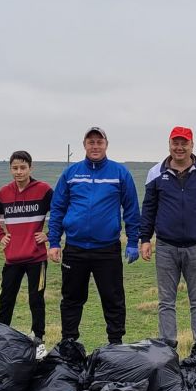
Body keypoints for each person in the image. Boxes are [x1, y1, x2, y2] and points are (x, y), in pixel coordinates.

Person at [139, 126, 196, 355]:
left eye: (184, 143)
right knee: (166, 302)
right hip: (166, 246)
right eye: (175, 143)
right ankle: (168, 348)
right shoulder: (155, 173)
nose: (179, 148)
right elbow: (149, 208)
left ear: (192, 145)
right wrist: (145, 239)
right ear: (169, 145)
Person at [48, 128, 141, 346]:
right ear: (84, 145)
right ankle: (69, 343)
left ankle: (115, 344)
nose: (95, 146)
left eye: (99, 142)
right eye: (91, 142)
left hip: (107, 249)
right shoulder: (71, 174)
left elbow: (131, 209)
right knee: (71, 298)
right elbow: (58, 208)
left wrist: (133, 241)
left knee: (113, 298)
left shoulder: (120, 173)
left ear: (106, 144)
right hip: (75, 248)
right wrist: (53, 241)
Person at [0, 150, 53, 351]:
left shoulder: (44, 190)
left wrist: (49, 235)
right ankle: (0, 335)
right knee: (6, 298)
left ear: (31, 168)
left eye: (23, 167)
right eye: (15, 168)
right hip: (12, 258)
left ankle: (38, 337)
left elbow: (62, 212)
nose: (19, 172)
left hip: (37, 258)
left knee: (36, 299)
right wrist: (0, 235)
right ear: (10, 169)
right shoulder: (4, 192)